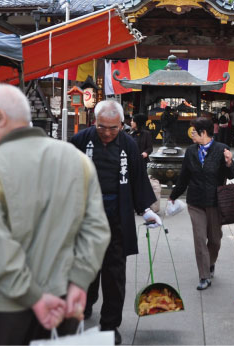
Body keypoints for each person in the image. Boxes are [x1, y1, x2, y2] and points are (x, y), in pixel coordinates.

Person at [0, 84, 110, 345]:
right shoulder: (77, 160)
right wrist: (80, 281)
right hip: (64, 299)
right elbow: (97, 229)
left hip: (4, 308)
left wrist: (35, 297)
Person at [70, 100, 157, 345]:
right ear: (93, 122)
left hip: (117, 215)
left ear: (121, 124)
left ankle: (109, 324)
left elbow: (139, 179)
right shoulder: (79, 141)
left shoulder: (129, 144)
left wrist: (146, 210)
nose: (107, 133)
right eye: (102, 127)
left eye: (113, 128)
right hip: (84, 216)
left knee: (114, 272)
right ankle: (84, 305)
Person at [168, 117, 234, 291]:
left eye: (194, 132)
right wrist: (173, 195)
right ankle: (204, 276)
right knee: (199, 239)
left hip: (215, 202)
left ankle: (210, 262)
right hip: (196, 201)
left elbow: (231, 175)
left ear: (203, 133)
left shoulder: (221, 149)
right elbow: (184, 177)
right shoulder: (191, 151)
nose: (191, 135)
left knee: (215, 239)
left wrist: (229, 162)